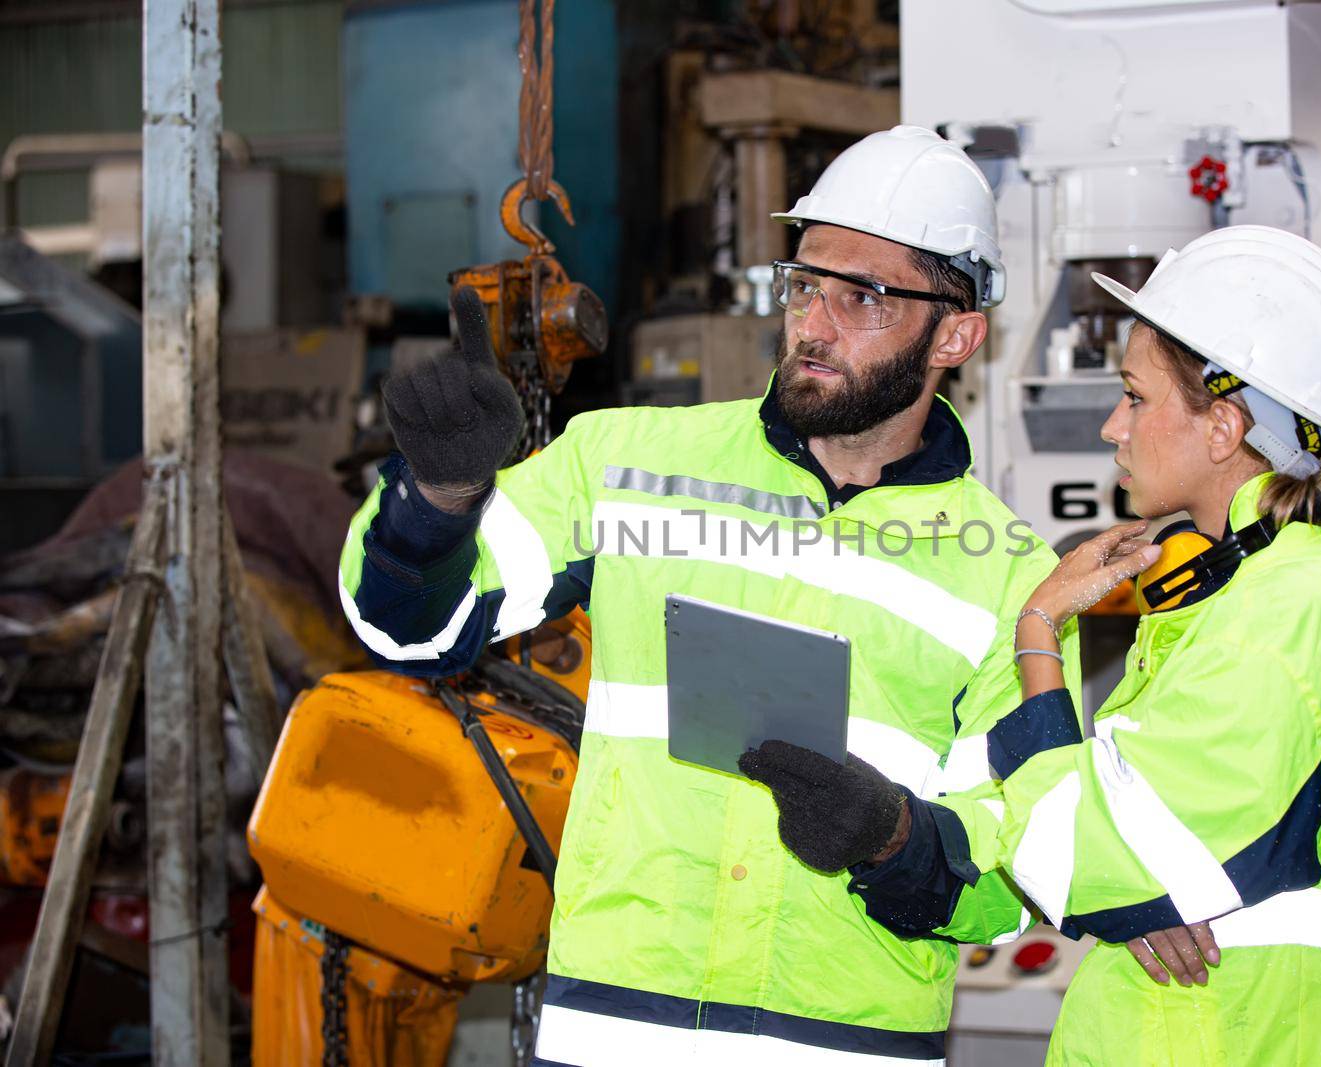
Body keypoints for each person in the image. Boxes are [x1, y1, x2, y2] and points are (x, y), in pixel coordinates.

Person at [342, 125, 1108, 1066]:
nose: (813, 324)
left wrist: (894, 837)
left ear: (955, 333)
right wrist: (438, 501)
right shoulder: (624, 466)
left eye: (862, 296)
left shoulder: (1012, 575)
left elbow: (1013, 864)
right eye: (805, 285)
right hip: (612, 1038)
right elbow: (411, 630)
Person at [744, 225, 1321, 1065]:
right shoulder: (1246, 596)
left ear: (1224, 426)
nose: (1110, 427)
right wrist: (1130, 881)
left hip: (1230, 1035)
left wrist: (1037, 632)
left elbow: (1077, 856)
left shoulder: (1279, 612)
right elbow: (1111, 851)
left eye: (1135, 396)